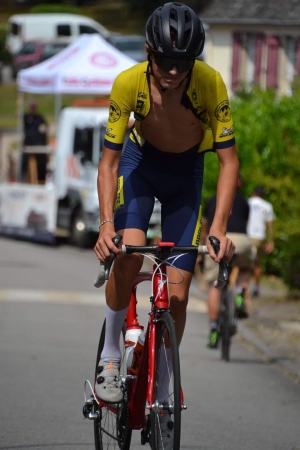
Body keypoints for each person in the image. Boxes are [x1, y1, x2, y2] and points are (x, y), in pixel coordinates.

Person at [93, 2, 239, 441]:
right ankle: (113, 352)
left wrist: (217, 228)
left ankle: (164, 377)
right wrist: (105, 224)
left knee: (177, 294)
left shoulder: (211, 84)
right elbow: (109, 161)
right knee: (128, 250)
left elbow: (229, 163)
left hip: (186, 176)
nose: (173, 71)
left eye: (183, 62)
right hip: (140, 165)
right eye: (164, 61)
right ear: (148, 52)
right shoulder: (128, 83)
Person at [202, 174, 255, 348]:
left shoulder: (211, 200)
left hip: (217, 241)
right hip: (240, 240)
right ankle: (240, 293)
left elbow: (205, 226)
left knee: (215, 285)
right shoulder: (244, 202)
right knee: (245, 267)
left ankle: (213, 330)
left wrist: (203, 247)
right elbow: (245, 224)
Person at [247, 185, 275, 297]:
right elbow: (270, 226)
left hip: (247, 236)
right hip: (259, 238)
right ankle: (256, 287)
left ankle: (241, 288)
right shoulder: (267, 206)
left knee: (242, 264)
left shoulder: (247, 202)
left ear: (252, 193)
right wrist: (271, 241)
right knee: (257, 264)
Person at [21, 100, 48, 183]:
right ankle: (23, 177)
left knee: (41, 162)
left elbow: (45, 127)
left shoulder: (39, 117)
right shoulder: (26, 117)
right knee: (25, 161)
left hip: (39, 144)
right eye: (31, 107)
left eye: (34, 107)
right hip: (28, 144)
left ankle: (41, 179)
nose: (33, 108)